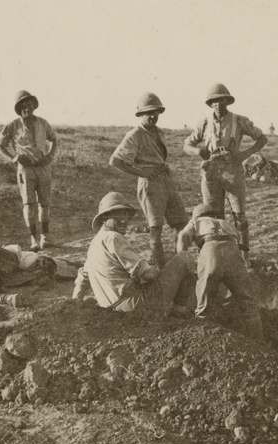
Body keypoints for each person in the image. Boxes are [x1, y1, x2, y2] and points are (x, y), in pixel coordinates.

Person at [183, 83, 268, 267]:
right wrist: (199, 152)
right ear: (210, 103)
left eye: (221, 100)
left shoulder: (238, 120)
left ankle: (244, 258)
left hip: (233, 171)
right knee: (213, 217)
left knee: (240, 216)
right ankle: (215, 257)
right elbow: (186, 145)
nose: (217, 104)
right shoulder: (204, 123)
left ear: (227, 101)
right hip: (211, 172)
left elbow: (262, 138)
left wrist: (245, 154)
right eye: (213, 101)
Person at [72, 192, 195, 316]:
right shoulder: (114, 238)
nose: (124, 220)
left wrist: (74, 307)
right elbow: (149, 275)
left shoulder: (94, 243)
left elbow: (82, 279)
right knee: (186, 257)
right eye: (118, 215)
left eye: (125, 214)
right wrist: (159, 270)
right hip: (136, 306)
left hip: (111, 312)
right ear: (104, 218)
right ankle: (179, 312)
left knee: (169, 260)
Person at [109, 92, 189, 268]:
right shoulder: (135, 135)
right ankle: (161, 271)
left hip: (166, 181)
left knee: (181, 224)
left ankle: (180, 266)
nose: (153, 116)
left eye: (155, 112)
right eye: (148, 112)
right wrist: (141, 173)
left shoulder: (159, 133)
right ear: (140, 114)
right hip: (150, 185)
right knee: (156, 230)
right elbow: (115, 161)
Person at [177, 203, 263, 339]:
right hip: (234, 254)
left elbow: (182, 236)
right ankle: (260, 345)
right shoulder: (226, 223)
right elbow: (236, 241)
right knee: (250, 307)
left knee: (203, 310)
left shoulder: (196, 221)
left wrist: (183, 259)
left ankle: (203, 345)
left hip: (211, 252)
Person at [0, 90, 58, 251]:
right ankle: (33, 240)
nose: (27, 108)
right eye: (23, 105)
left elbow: (53, 139)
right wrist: (13, 158)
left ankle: (45, 238)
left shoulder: (43, 123)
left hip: (43, 168)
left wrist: (50, 155)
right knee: (29, 204)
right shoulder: (13, 125)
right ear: (19, 108)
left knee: (45, 204)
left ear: (33, 106)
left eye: (29, 105)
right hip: (26, 170)